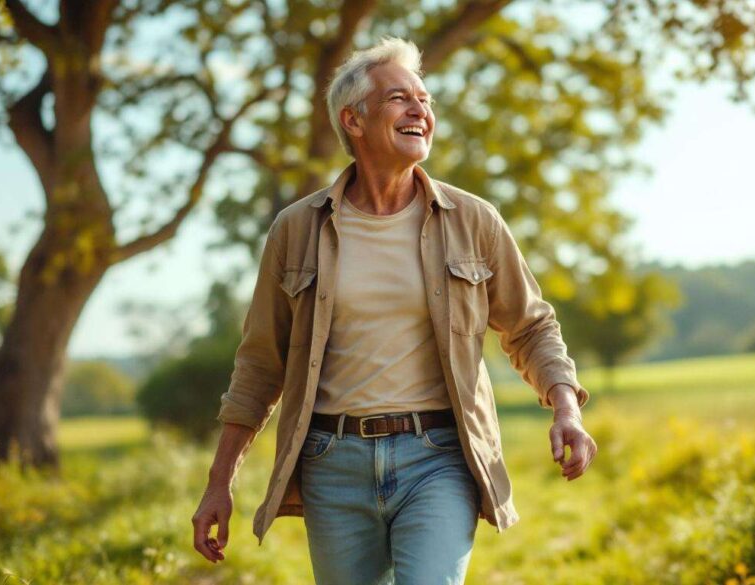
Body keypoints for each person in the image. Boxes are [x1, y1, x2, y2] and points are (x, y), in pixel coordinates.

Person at [191, 37, 596, 584]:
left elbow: (530, 327)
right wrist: (221, 482)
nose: (420, 111)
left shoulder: (473, 221)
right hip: (332, 463)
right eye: (400, 98)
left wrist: (565, 408)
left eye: (425, 100)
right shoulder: (297, 230)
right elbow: (262, 363)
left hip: (439, 458)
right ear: (352, 121)